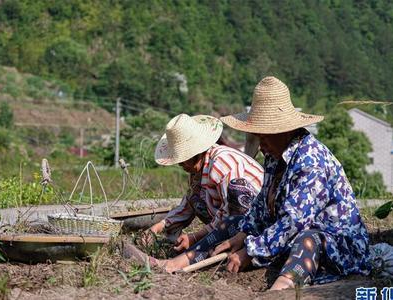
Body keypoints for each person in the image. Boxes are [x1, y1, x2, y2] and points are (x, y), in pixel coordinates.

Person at [152, 77, 371, 291]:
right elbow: (259, 207)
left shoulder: (310, 161)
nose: (260, 144)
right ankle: (177, 264)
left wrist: (250, 250)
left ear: (283, 131)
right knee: (234, 223)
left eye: (264, 137)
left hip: (337, 247)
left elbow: (294, 222)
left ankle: (281, 290)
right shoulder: (275, 157)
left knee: (308, 238)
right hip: (288, 239)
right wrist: (242, 234)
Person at [148, 113, 264, 252]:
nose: (179, 163)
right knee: (195, 198)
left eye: (182, 158)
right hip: (227, 219)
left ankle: (232, 243)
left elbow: (229, 208)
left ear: (196, 152)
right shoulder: (197, 171)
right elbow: (188, 206)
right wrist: (159, 226)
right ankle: (217, 239)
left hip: (256, 217)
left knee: (234, 194)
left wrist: (195, 237)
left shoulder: (221, 162)